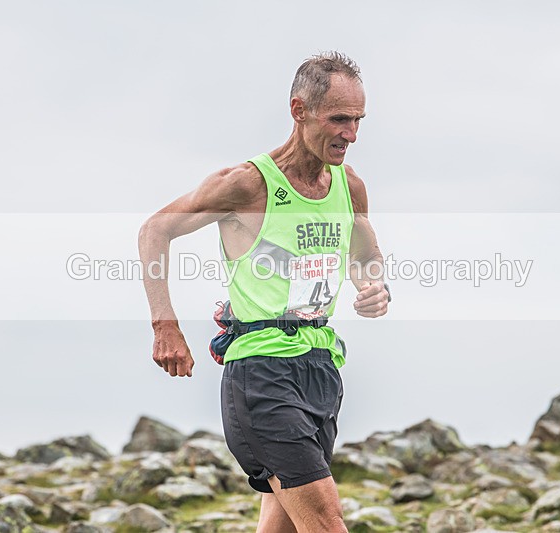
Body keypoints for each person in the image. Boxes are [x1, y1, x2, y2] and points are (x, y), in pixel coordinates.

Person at [138, 51, 390, 533]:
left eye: (358, 120)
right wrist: (164, 325)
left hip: (321, 370)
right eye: (339, 119)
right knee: (325, 521)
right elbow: (155, 231)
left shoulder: (349, 186)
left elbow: (364, 256)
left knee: (286, 526)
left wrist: (372, 287)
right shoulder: (246, 185)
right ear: (299, 111)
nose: (351, 134)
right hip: (261, 373)